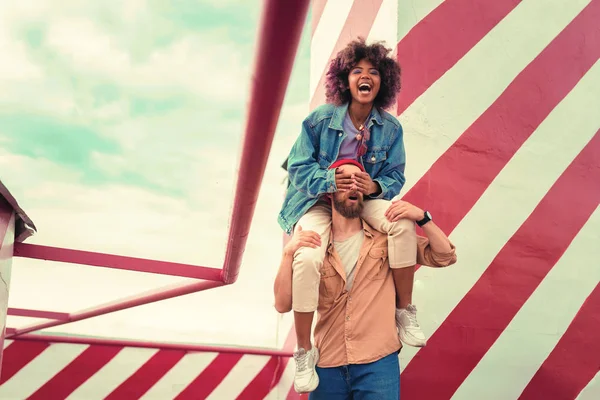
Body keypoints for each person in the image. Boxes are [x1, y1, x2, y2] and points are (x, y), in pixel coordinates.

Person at [277, 38, 423, 392]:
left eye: (373, 71)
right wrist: (331, 178)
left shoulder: (391, 129)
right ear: (345, 79)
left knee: (402, 224)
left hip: (361, 197)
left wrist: (373, 187)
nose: (365, 76)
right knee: (308, 256)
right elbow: (297, 167)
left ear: (382, 82)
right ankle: (303, 350)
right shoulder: (319, 120)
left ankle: (404, 310)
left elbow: (395, 176)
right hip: (316, 199)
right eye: (357, 70)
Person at [274, 161, 457, 397]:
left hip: (378, 362)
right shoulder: (312, 249)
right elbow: (282, 304)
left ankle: (405, 311)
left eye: (359, 180)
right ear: (330, 192)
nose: (353, 185)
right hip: (327, 364)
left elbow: (445, 256)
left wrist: (423, 218)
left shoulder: (386, 238)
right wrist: (288, 254)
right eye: (344, 180)